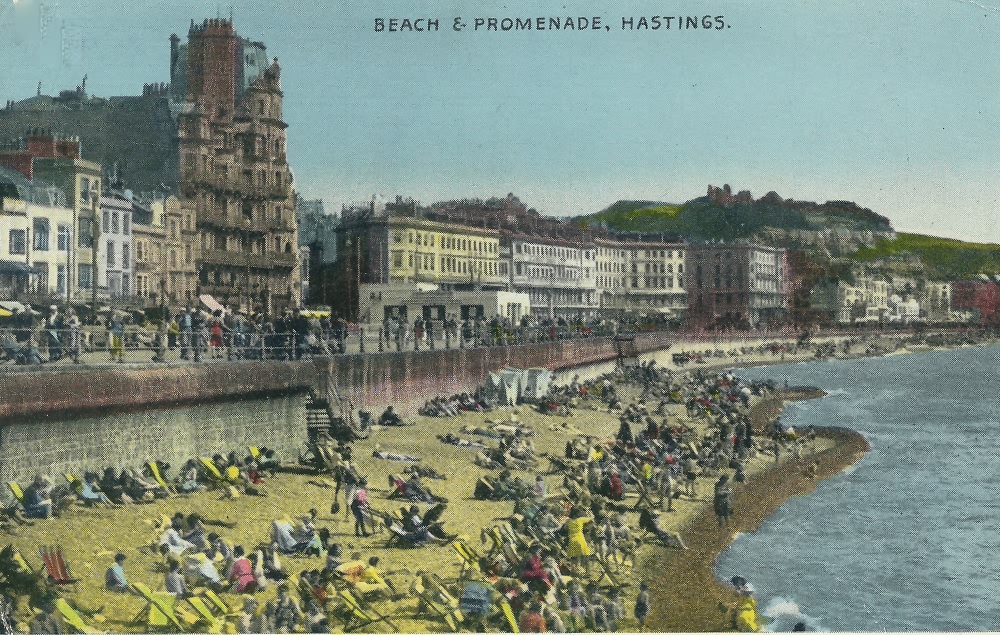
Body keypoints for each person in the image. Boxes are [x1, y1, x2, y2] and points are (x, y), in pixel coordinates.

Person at [564, 507, 593, 575]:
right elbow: (591, 518)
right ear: (577, 513)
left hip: (572, 540)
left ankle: (576, 572)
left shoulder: (569, 521)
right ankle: (587, 572)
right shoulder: (580, 520)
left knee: (576, 558)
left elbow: (565, 528)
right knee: (586, 555)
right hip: (580, 539)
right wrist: (590, 512)